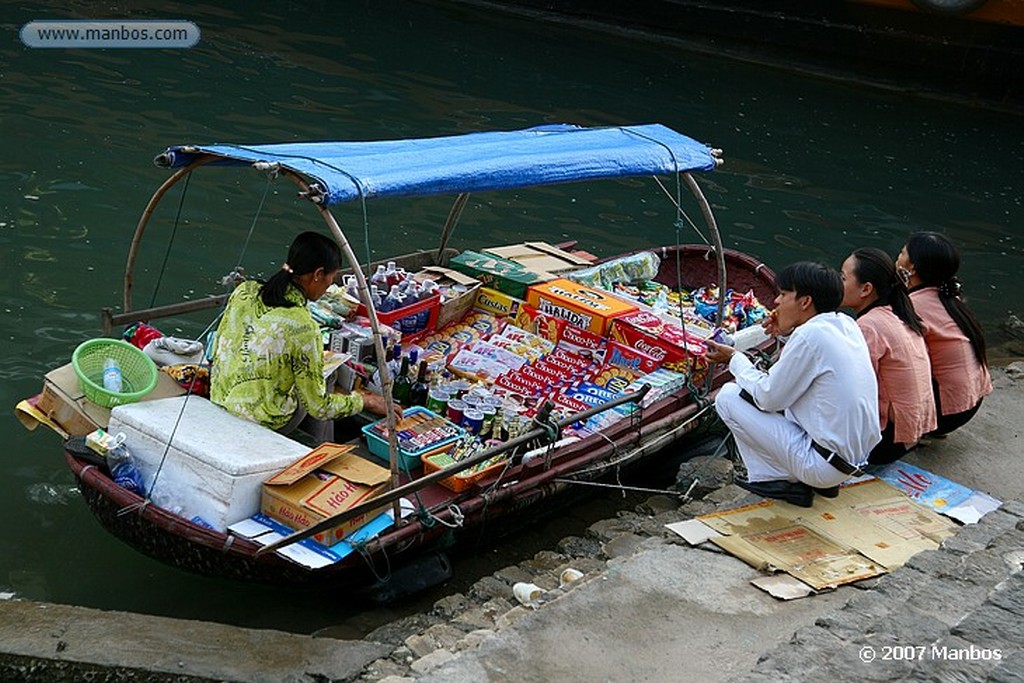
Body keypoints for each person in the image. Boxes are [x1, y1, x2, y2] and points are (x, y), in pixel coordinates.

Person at [705, 261, 880, 508]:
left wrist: (734, 359)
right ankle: (801, 478)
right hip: (851, 462)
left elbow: (768, 398)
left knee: (729, 396)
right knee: (780, 396)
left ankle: (774, 479)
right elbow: (804, 369)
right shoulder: (846, 325)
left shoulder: (810, 335)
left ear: (805, 302)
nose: (776, 302)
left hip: (822, 466)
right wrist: (784, 334)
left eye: (784, 295)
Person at [210, 231, 397, 442]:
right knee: (325, 379)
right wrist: (366, 401)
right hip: (261, 421)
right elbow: (319, 407)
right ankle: (321, 449)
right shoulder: (303, 326)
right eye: (330, 278)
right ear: (318, 274)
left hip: (221, 398)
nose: (328, 285)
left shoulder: (245, 290)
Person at [840, 247, 936, 464]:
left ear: (866, 289)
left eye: (843, 278)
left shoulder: (869, 326)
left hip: (885, 444)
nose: (838, 284)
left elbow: (854, 391)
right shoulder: (896, 312)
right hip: (910, 435)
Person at [896, 232, 992, 435]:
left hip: (945, 414)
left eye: (902, 253)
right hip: (970, 404)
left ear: (912, 267)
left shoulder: (914, 305)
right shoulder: (950, 299)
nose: (897, 257)